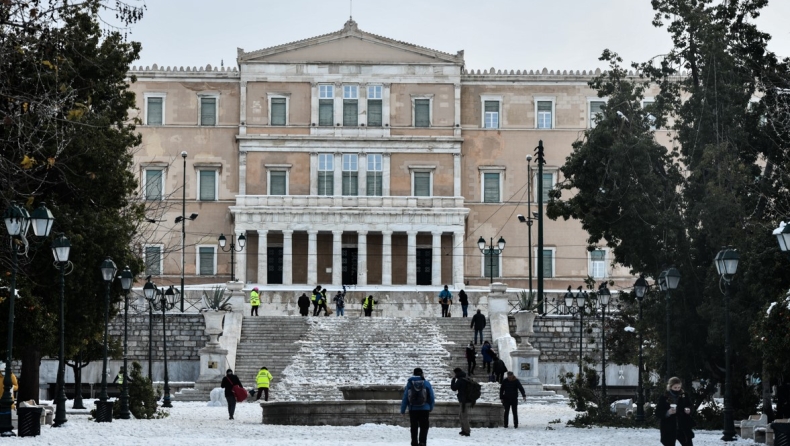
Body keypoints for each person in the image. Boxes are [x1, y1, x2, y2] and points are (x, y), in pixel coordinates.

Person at [400, 367, 435, 446]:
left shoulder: (409, 383)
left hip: (413, 409)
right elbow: (432, 397)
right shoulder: (426, 383)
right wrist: (431, 407)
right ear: (422, 373)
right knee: (424, 426)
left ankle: (414, 442)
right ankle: (422, 442)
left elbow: (405, 397)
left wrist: (402, 410)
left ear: (413, 373)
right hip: (424, 409)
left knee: (414, 427)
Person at [656, 376, 695, 446]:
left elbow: (691, 406)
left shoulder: (684, 395)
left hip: (683, 426)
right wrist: (668, 412)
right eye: (675, 387)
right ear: (670, 387)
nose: (677, 390)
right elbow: (658, 412)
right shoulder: (664, 397)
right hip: (669, 427)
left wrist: (689, 410)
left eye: (679, 387)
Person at [450, 367, 471, 436]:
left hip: (463, 400)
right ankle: (463, 430)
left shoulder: (460, 380)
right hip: (467, 400)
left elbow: (454, 388)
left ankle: (466, 431)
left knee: (464, 416)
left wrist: (453, 379)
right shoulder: (466, 378)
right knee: (461, 415)